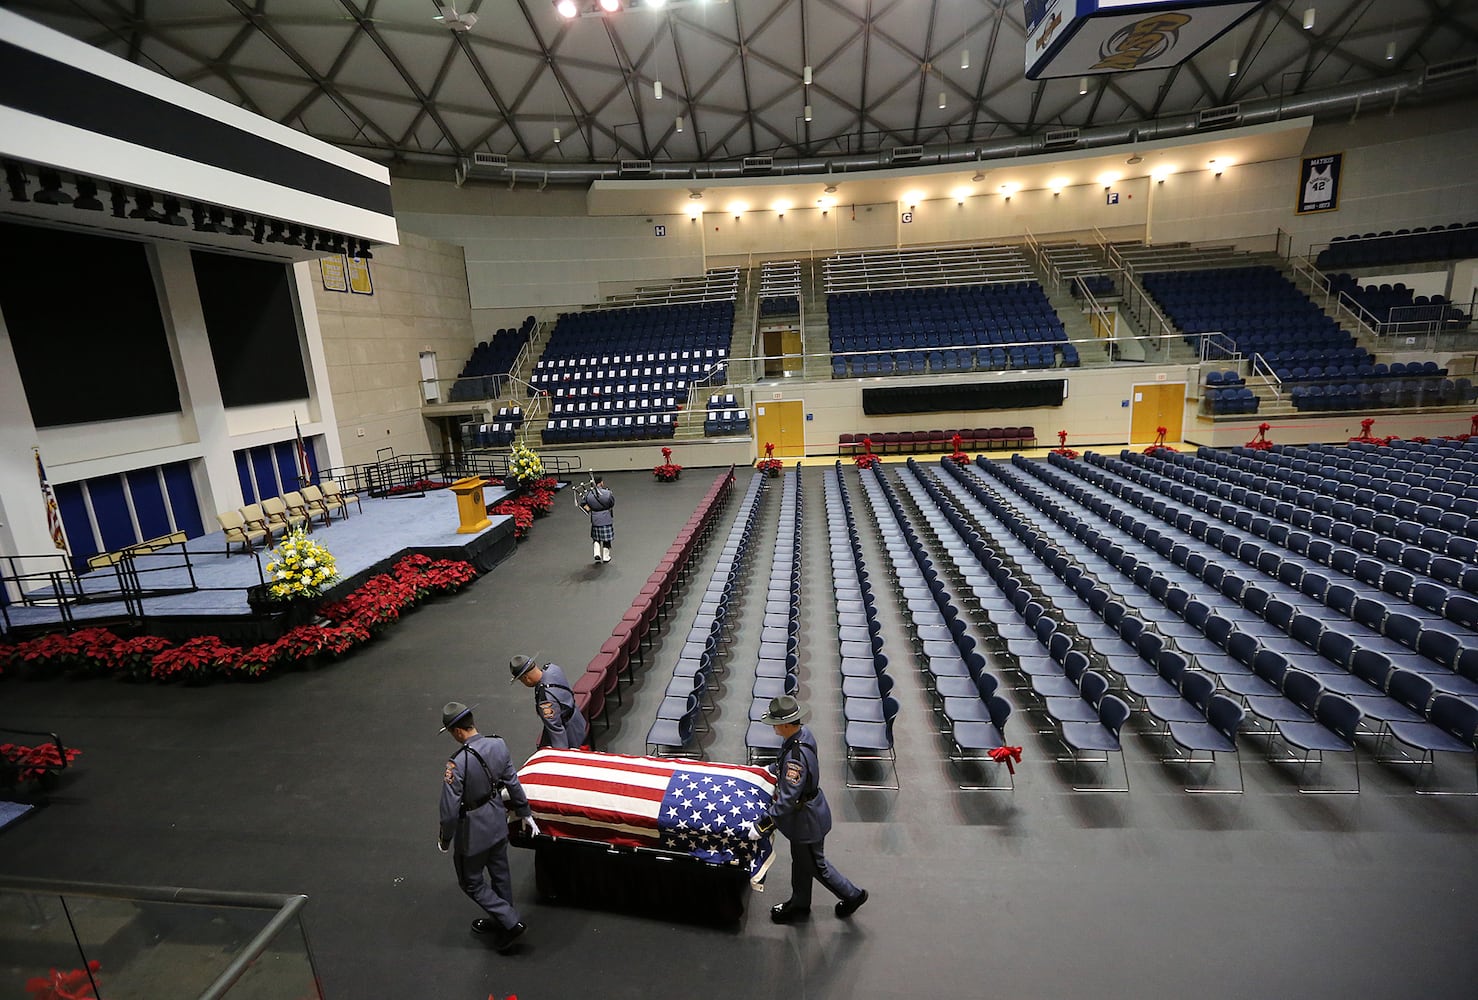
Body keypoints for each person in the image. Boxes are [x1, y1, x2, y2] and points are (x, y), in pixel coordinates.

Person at [753, 695, 868, 924]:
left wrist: (763, 825)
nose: (773, 727)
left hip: (806, 820)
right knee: (801, 861)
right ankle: (800, 902)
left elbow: (787, 798)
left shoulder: (796, 756)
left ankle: (852, 895)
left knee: (817, 866)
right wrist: (768, 770)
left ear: (786, 724)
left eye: (775, 723)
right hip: (805, 815)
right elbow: (785, 764)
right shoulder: (802, 735)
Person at [437, 701, 537, 952]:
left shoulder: (457, 763)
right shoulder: (498, 744)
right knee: (500, 873)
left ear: (457, 732)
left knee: (470, 881)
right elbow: (512, 783)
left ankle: (510, 921)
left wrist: (445, 838)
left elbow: (449, 809)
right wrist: (525, 812)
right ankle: (502, 920)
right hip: (496, 819)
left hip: (473, 831)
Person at [510, 654, 587, 750]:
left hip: (570, 733)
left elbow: (557, 731)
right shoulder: (552, 668)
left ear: (526, 678)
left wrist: (559, 757)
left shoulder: (546, 701)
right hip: (576, 718)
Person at [581, 474, 615, 564]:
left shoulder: (588, 494)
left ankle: (597, 553)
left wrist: (591, 508)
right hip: (606, 518)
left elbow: (583, 504)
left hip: (595, 518)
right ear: (601, 482)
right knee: (606, 539)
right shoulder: (607, 493)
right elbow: (612, 503)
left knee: (596, 538)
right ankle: (606, 556)